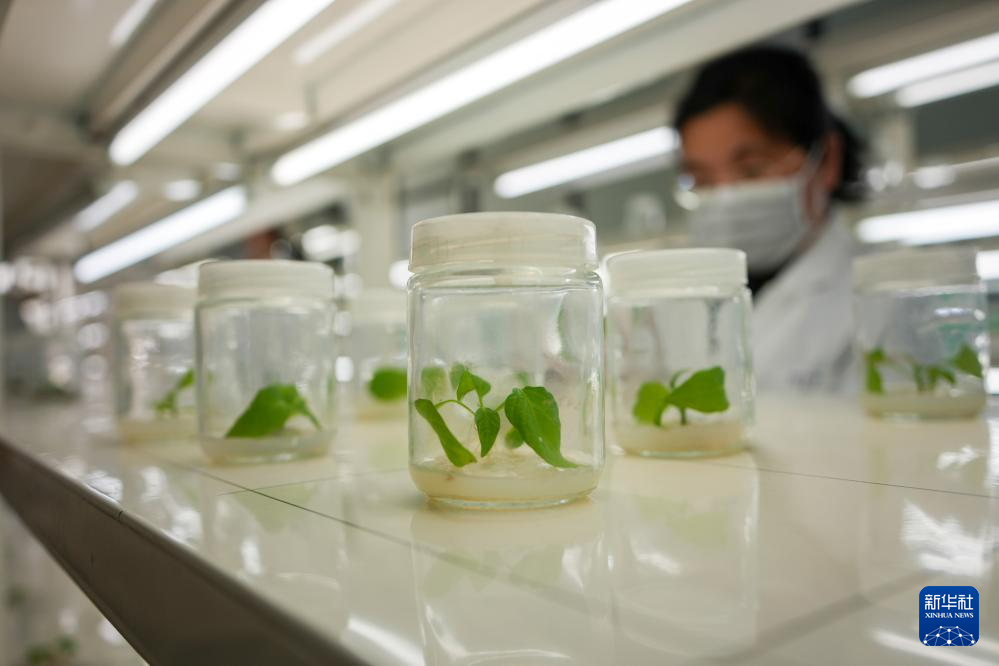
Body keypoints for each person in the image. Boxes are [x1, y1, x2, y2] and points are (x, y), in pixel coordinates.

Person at [675, 45, 866, 393]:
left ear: (827, 160)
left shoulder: (871, 301)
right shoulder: (685, 298)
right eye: (702, 179)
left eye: (752, 169)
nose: (725, 197)